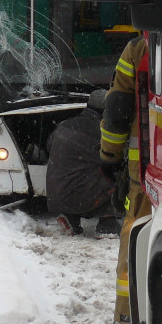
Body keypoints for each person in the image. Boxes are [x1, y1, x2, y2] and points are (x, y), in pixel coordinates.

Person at [99, 35, 150, 324]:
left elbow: (117, 108)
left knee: (136, 236)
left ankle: (129, 315)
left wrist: (108, 157)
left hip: (147, 169)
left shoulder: (140, 47)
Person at [45, 89, 123, 237]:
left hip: (55, 195)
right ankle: (107, 224)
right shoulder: (102, 133)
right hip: (79, 195)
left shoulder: (64, 125)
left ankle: (71, 220)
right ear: (107, 111)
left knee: (82, 176)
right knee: (118, 176)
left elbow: (49, 146)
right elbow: (115, 158)